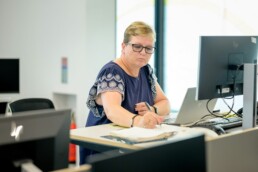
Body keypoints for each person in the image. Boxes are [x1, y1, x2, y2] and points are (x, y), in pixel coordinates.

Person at [80, 21, 171, 164]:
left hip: (130, 145)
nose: (143, 52)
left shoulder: (145, 70)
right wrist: (140, 121)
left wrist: (152, 109)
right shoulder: (112, 71)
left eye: (148, 48)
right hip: (103, 151)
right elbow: (112, 110)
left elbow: (165, 103)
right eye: (137, 46)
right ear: (123, 46)